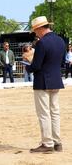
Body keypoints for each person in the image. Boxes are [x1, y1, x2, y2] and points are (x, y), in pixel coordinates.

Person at [26, 16, 66, 153]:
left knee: (44, 113)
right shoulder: (61, 41)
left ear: (40, 28)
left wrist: (27, 65)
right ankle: (57, 142)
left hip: (42, 81)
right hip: (56, 79)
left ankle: (47, 143)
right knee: (55, 112)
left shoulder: (42, 43)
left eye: (35, 31)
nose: (35, 33)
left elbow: (36, 66)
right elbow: (62, 62)